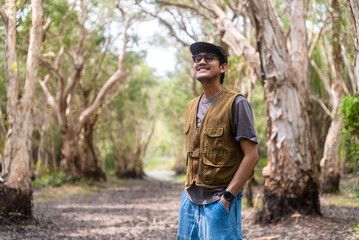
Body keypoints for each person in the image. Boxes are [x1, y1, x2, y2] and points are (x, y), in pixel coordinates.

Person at [177, 42, 259, 240]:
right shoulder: (191, 106)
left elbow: (252, 155)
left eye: (208, 58)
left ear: (223, 67)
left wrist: (228, 197)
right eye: (197, 59)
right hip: (189, 200)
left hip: (219, 202)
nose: (201, 61)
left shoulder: (237, 103)